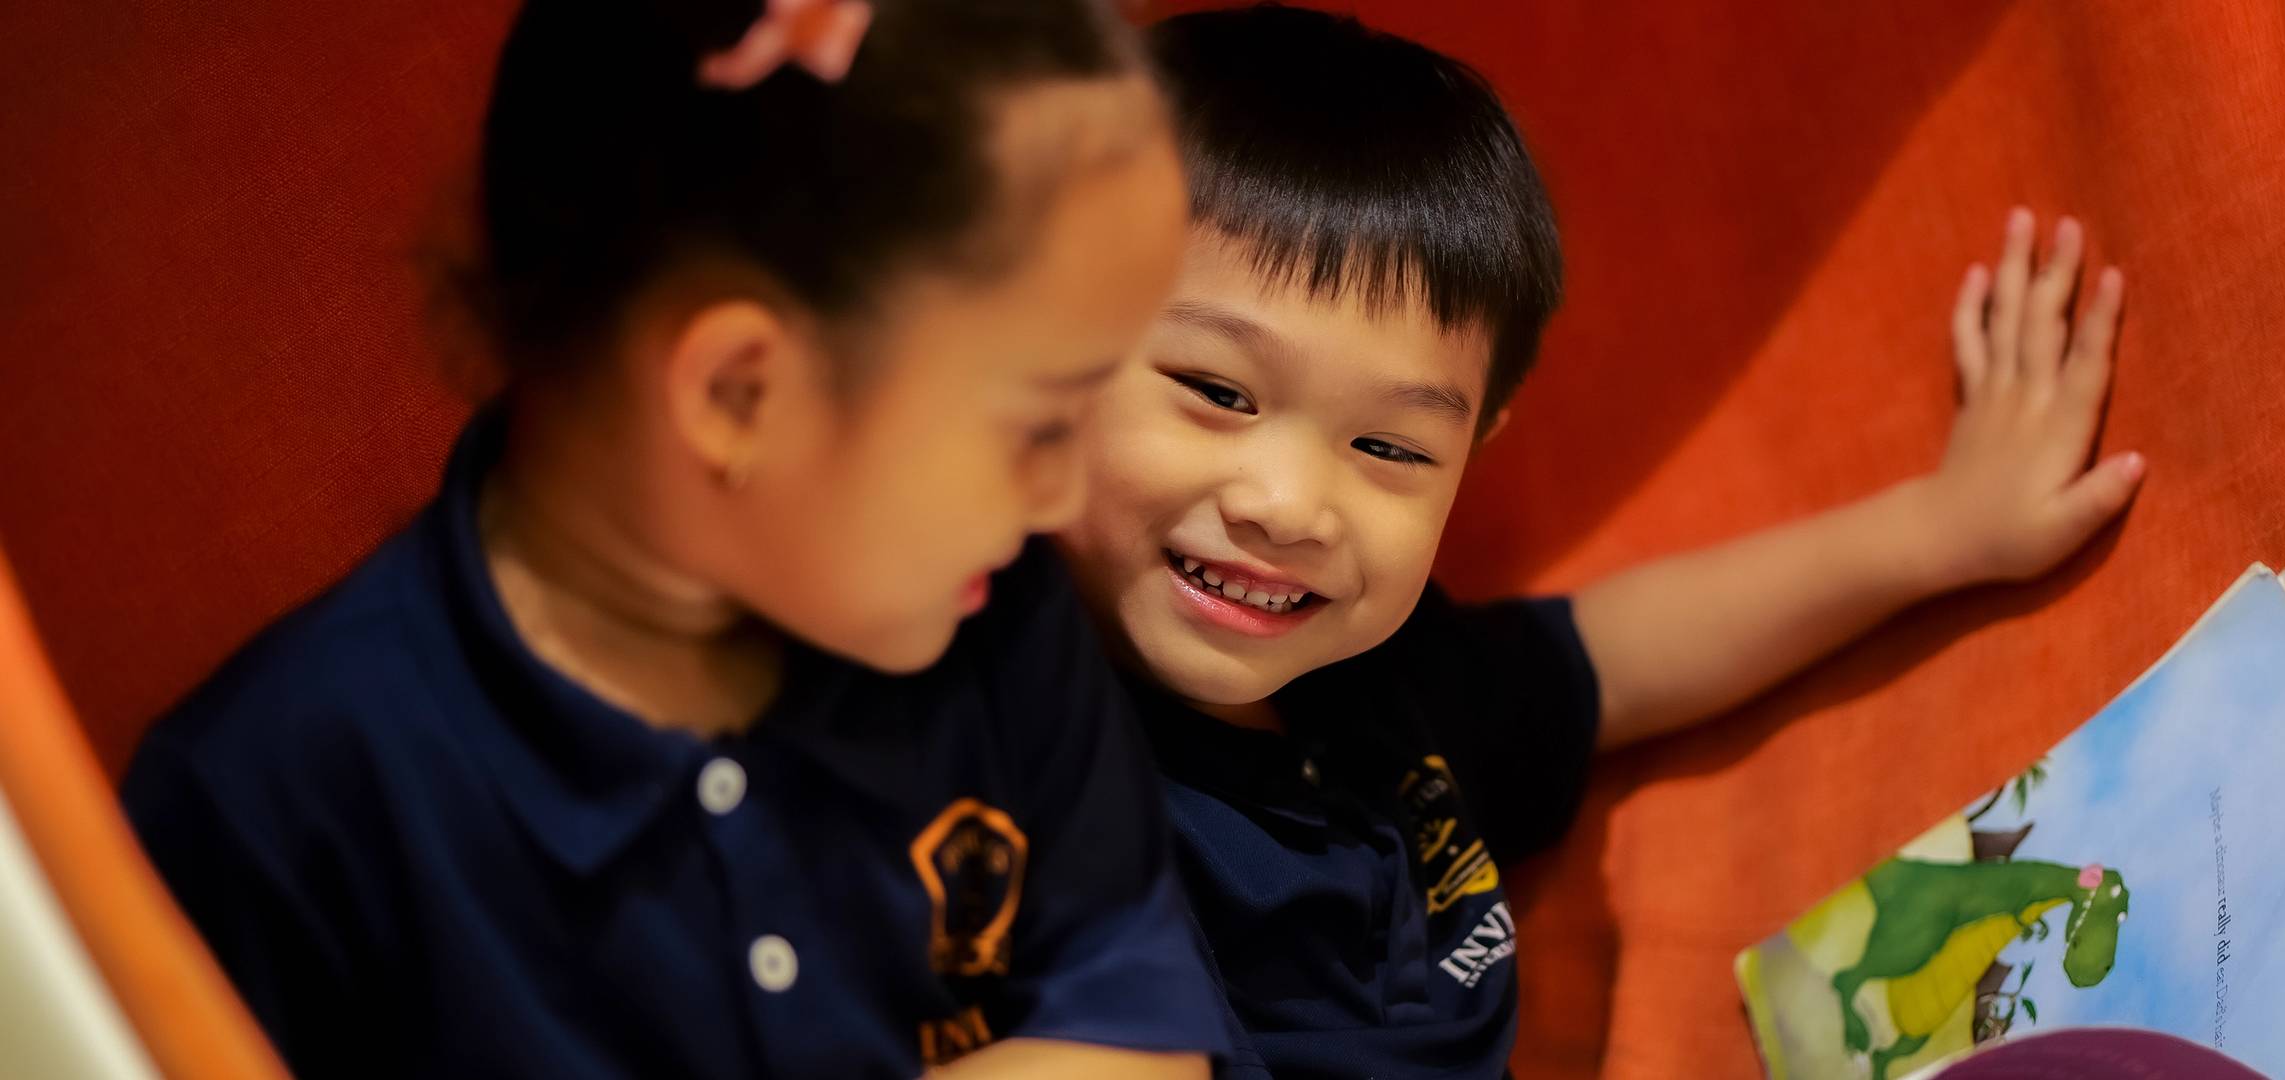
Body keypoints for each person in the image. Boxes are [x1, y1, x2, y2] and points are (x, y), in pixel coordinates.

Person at [120, 1, 1221, 1075]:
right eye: (1040, 423)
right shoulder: (280, 798)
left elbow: (1137, 1031)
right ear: (738, 394)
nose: (1067, 499)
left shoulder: (996, 611)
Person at [1054, 6, 2144, 1077]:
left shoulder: (1380, 679)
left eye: (1388, 449)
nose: (1291, 505)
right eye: (1215, 391)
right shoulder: (1009, 758)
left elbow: (1606, 660)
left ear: (1475, 446)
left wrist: (1942, 527)